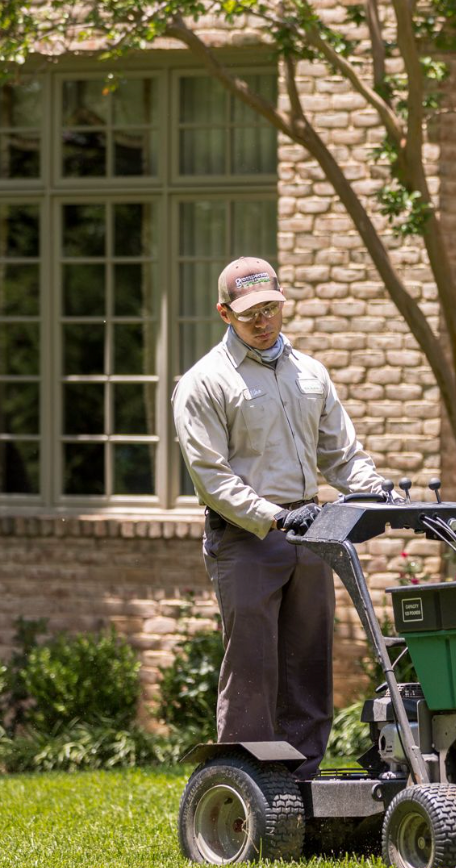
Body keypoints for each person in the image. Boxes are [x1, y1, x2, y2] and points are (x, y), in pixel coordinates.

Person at [172, 256, 391, 778]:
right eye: (251, 314)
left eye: (271, 308)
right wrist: (271, 516)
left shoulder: (309, 373)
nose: (264, 321)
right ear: (225, 313)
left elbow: (341, 455)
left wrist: (377, 491)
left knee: (309, 658)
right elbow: (213, 477)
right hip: (246, 537)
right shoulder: (205, 382)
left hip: (311, 531)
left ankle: (302, 779)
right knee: (252, 663)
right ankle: (248, 785)